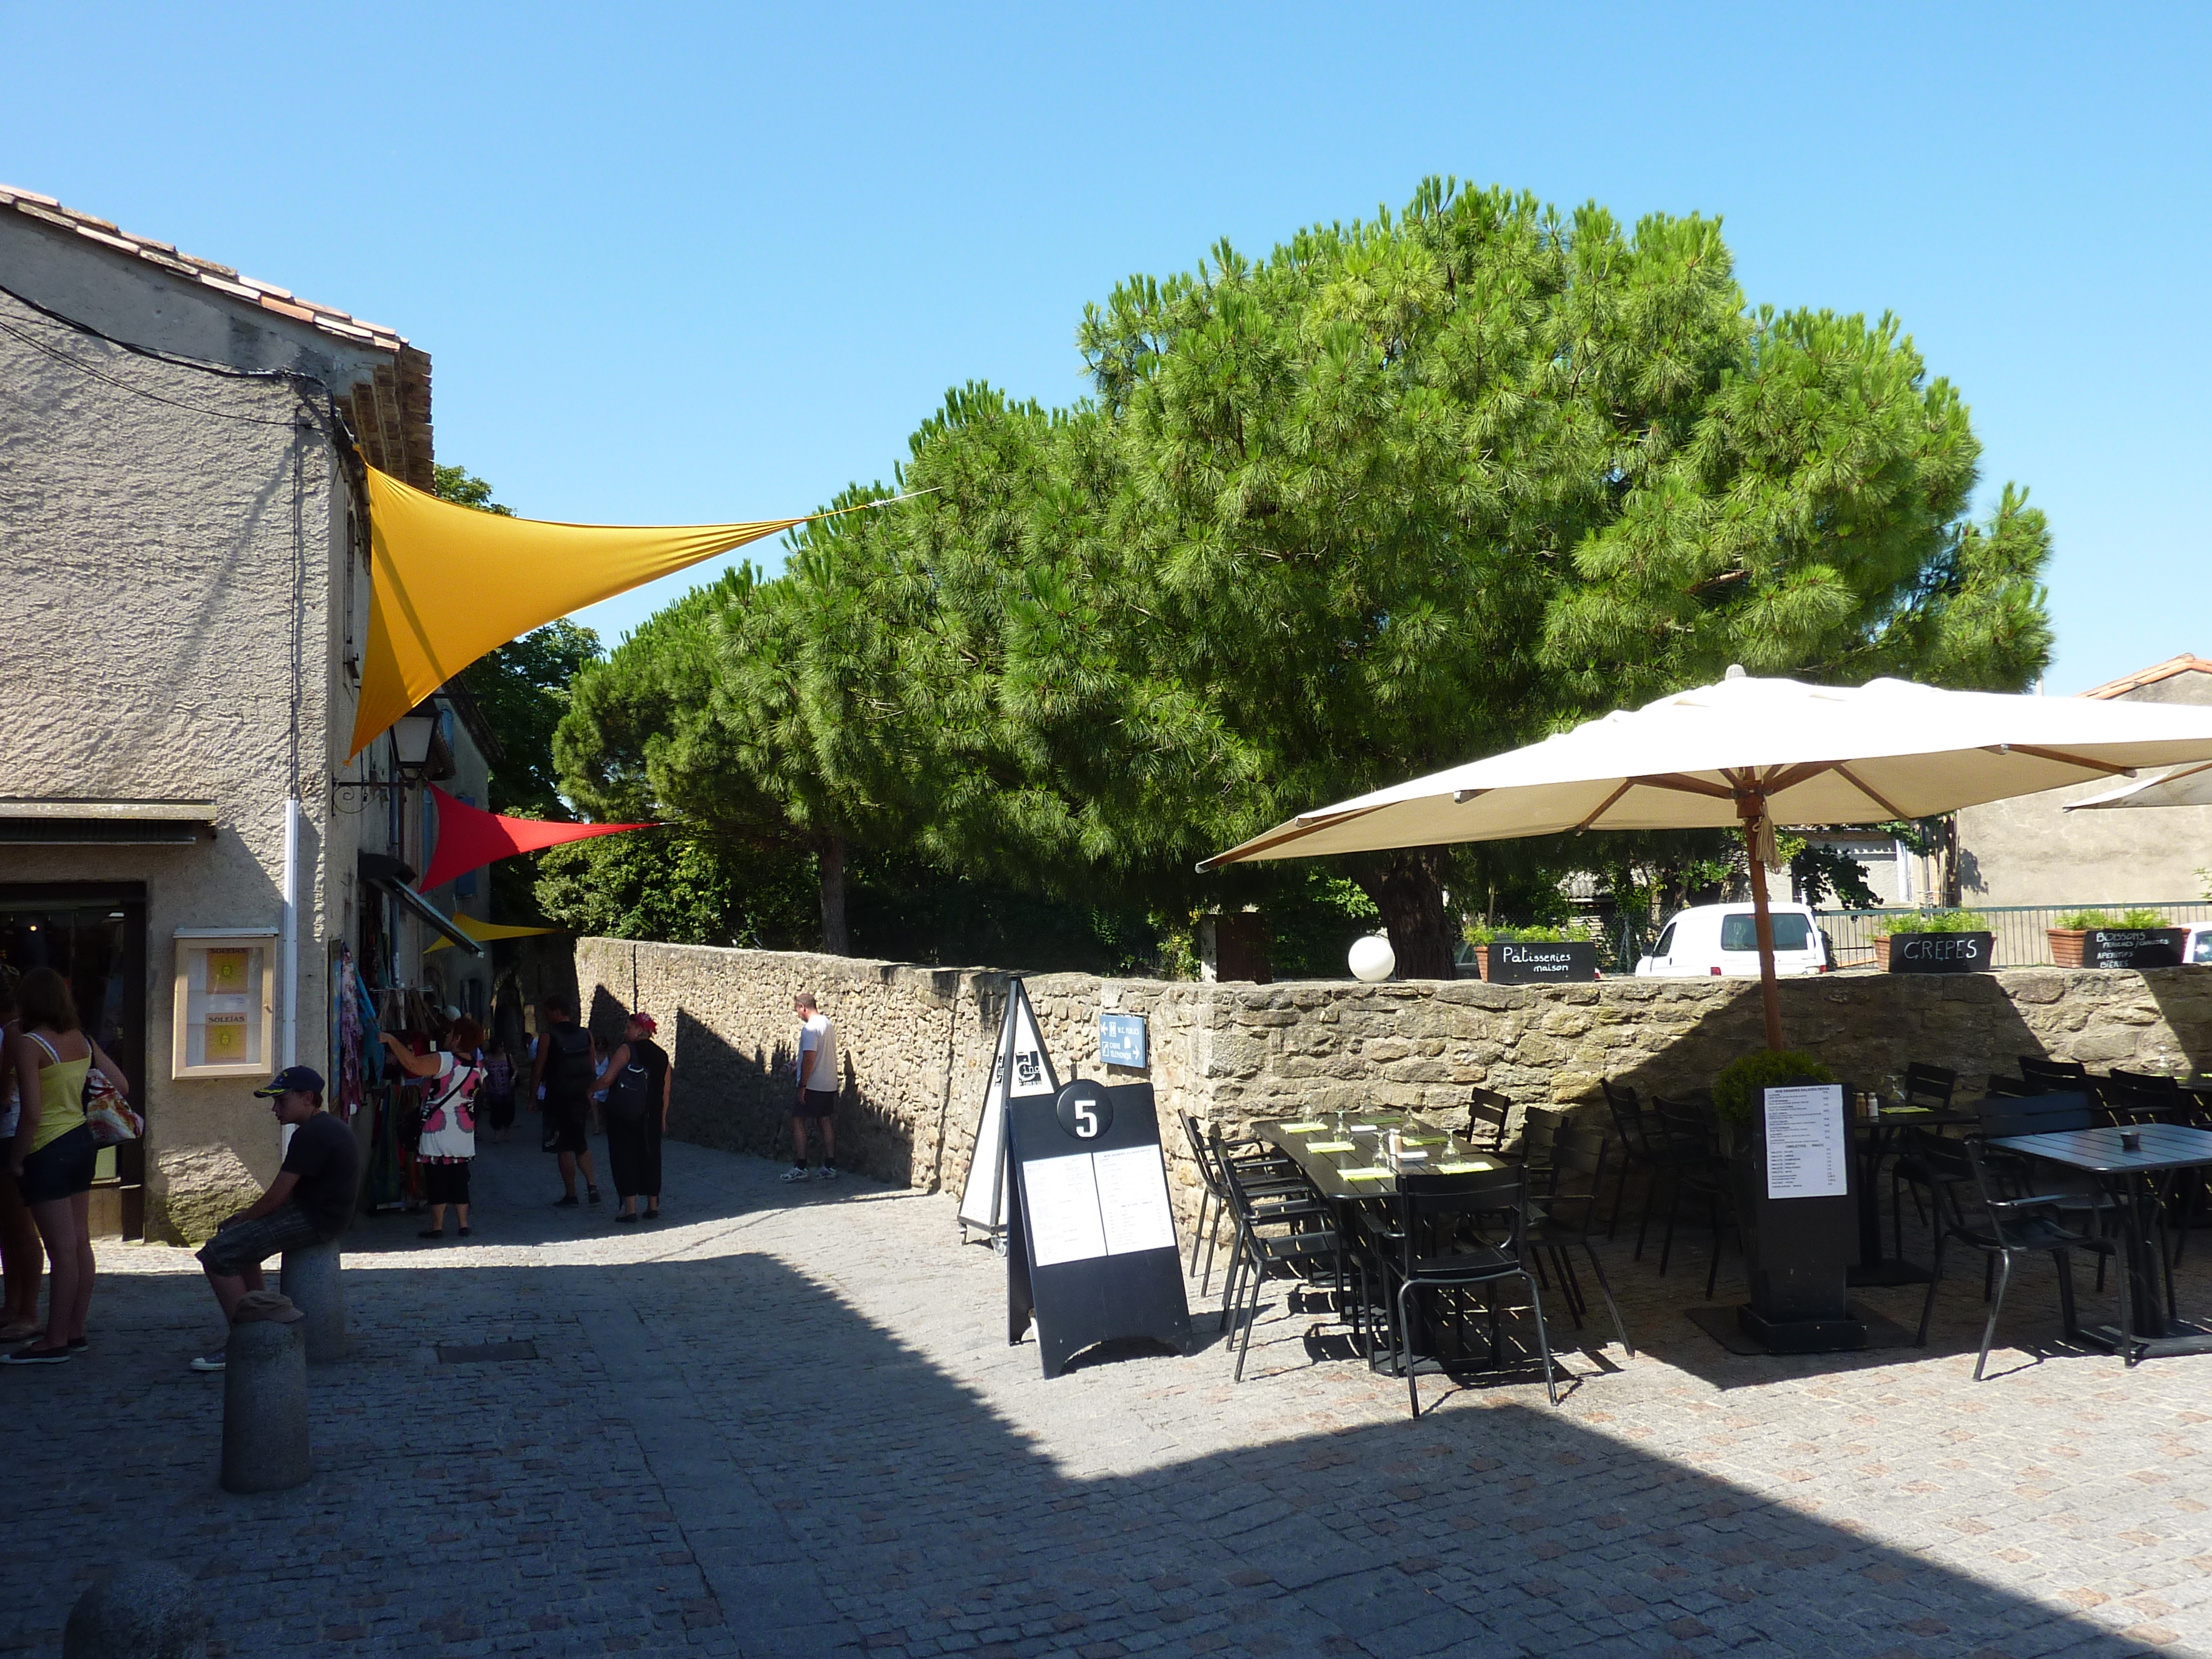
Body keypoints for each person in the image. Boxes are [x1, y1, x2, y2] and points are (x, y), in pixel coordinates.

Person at [189, 1065, 360, 1372]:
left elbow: (275, 1197)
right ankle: (261, 1315)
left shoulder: (312, 1134)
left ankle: (246, 1341)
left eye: (281, 1101)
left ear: (307, 1098)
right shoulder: (324, 1127)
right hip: (320, 1212)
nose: (274, 1109)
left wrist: (242, 1221)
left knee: (217, 1254)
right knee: (237, 1242)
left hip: (315, 1218)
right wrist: (245, 1220)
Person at [2, 968, 122, 1364]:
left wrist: (17, 1160)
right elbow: (120, 1084)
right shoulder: (80, 1038)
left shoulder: (28, 1043)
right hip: (81, 1142)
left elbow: (31, 1114)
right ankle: (74, 1332)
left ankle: (53, 1341)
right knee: (80, 1244)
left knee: (60, 1250)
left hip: (46, 1149)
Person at [381, 1018, 483, 1240]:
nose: (446, 1037)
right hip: (464, 1131)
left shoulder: (445, 1060)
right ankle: (463, 1224)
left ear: (457, 1038)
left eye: (451, 1034)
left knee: (437, 1178)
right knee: (459, 1178)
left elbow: (413, 1065)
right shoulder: (477, 1067)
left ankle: (436, 1227)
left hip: (438, 1130)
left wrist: (392, 1041)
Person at [0, 975, 48, 1342]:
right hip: (12, 1132)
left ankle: (26, 1310)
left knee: (19, 1230)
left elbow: (6, 1093)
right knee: (10, 1230)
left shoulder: (15, 1034)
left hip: (11, 1135)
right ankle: (14, 1304)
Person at [590, 1012, 672, 1222]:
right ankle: (653, 1206)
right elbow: (666, 1091)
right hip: (652, 1115)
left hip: (625, 1114)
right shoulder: (662, 1055)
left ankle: (630, 1210)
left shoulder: (627, 1050)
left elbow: (608, 1078)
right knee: (652, 1157)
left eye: (629, 1028)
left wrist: (590, 1090)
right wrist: (662, 1117)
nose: (625, 1032)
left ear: (639, 1030)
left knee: (626, 1157)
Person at [531, 996, 600, 1207]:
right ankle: (592, 1184)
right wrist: (591, 1093)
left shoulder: (548, 1036)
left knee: (563, 1146)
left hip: (558, 1096)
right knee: (580, 1142)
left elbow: (539, 1068)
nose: (545, 1016)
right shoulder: (585, 1034)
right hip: (580, 1095)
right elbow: (592, 1066)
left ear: (555, 1011)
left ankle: (571, 1194)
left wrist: (532, 1097)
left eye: (546, 1012)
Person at [784, 991, 839, 1183]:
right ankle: (830, 1165)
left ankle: (801, 1166)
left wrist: (803, 1085)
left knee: (797, 1120)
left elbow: (810, 1057)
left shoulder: (810, 1029)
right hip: (829, 1082)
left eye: (797, 1011)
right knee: (825, 1120)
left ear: (803, 1007)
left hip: (813, 1084)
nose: (798, 1015)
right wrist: (797, 1065)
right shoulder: (827, 1024)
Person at [481, 1037, 517, 1142]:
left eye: (503, 1046)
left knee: (508, 1111)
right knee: (496, 1112)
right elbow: (482, 1072)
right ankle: (497, 1132)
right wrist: (485, 1085)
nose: (502, 1048)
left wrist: (513, 1078)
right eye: (500, 1046)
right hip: (494, 1089)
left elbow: (515, 1070)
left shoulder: (508, 1057)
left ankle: (506, 1131)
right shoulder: (488, 1059)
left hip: (507, 1088)